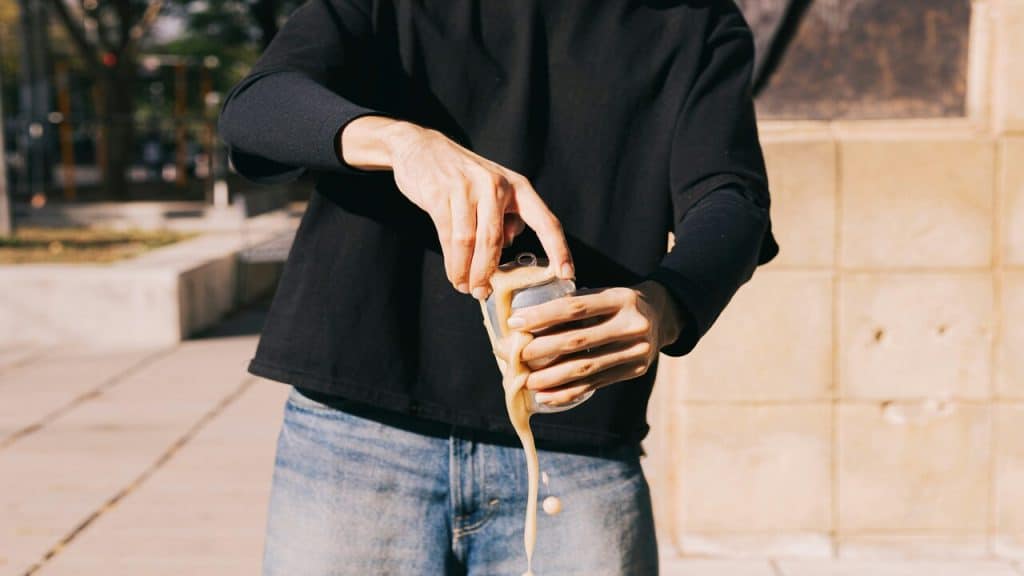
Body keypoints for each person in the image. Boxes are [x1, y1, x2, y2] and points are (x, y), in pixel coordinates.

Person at [219, 1, 778, 574]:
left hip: (577, 442)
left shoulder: (696, 18)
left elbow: (732, 197)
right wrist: (404, 144)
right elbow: (257, 106)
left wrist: (668, 304)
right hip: (357, 436)